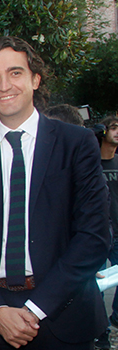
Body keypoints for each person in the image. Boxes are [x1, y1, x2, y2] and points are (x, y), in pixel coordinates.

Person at [0, 36, 110, 349]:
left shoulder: (77, 144)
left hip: (63, 314)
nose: (4, 85)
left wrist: (34, 310)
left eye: (15, 73)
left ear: (35, 79)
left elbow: (94, 237)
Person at [94, 117, 118, 350]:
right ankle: (101, 332)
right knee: (96, 286)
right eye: (114, 128)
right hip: (100, 235)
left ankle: (116, 323)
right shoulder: (92, 164)